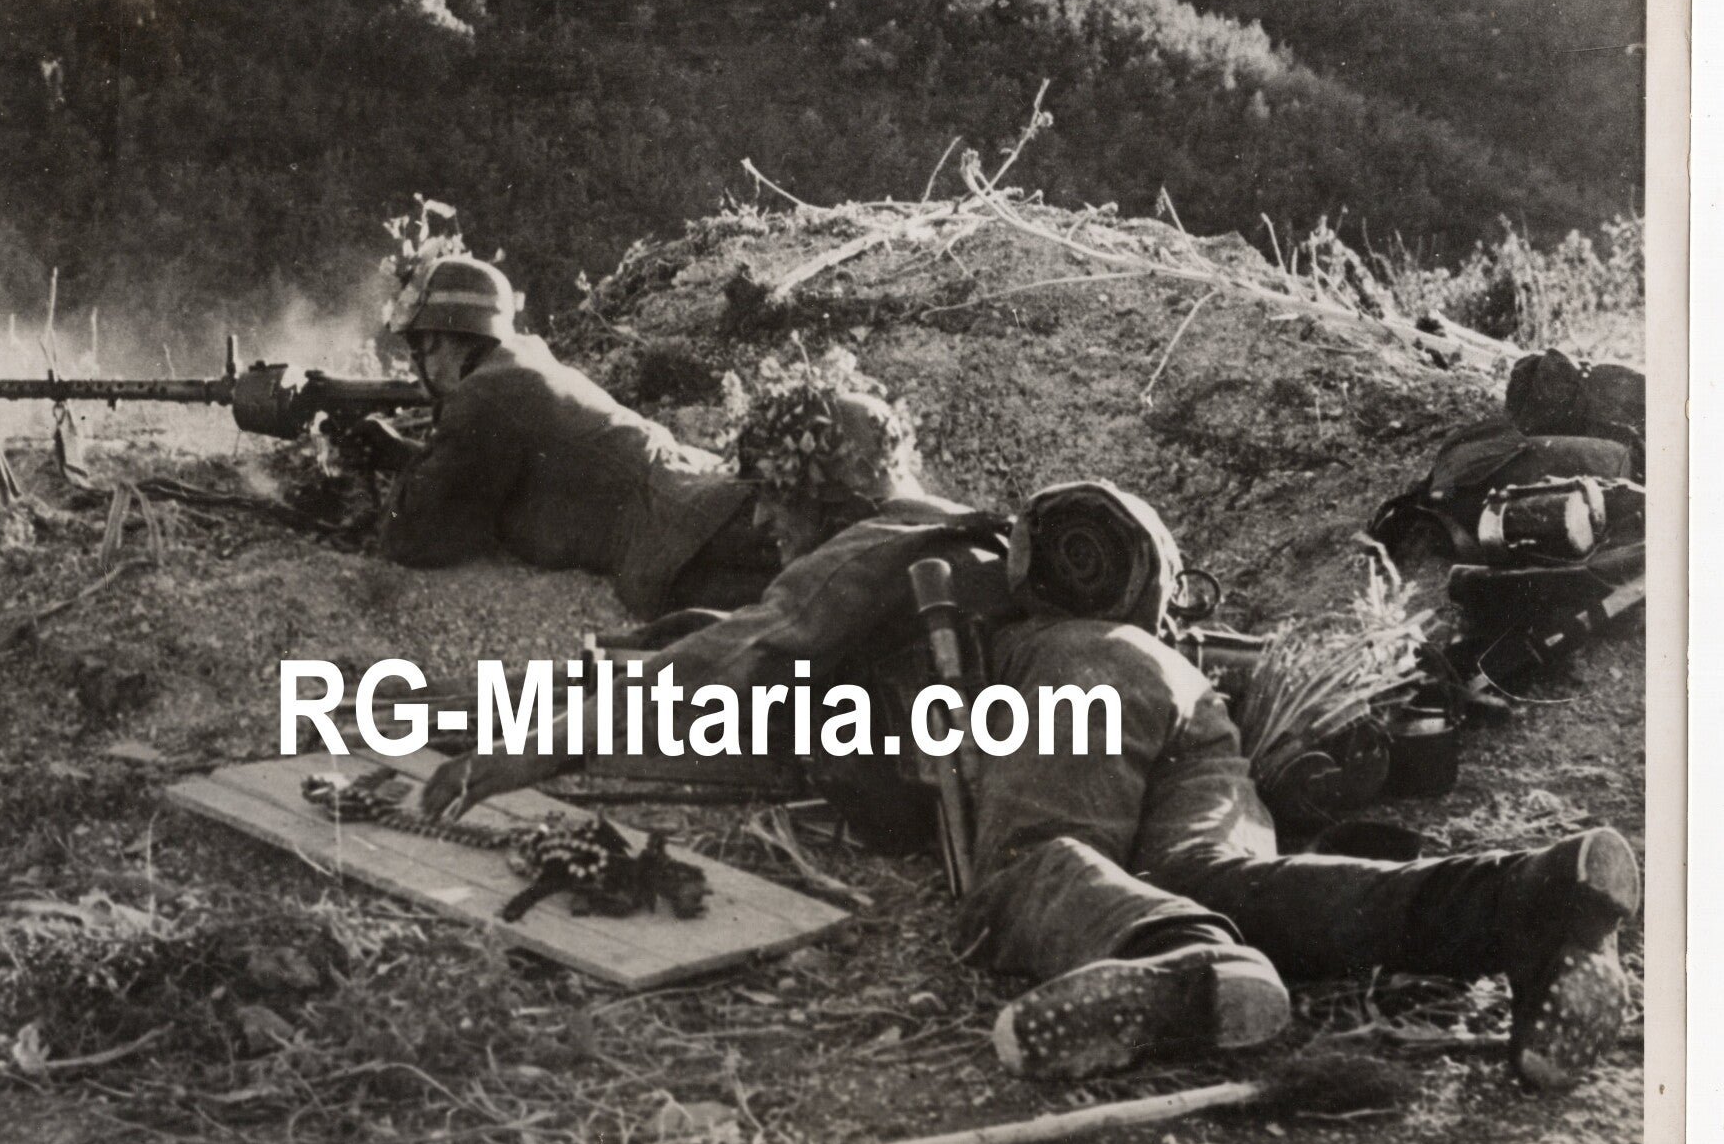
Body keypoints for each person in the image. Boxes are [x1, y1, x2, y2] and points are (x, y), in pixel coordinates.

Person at [421, 355, 1639, 1091]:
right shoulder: (971, 531)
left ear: (807, 489)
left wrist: (528, 741)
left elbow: (739, 654)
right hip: (1174, 693)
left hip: (1058, 693)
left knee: (1024, 873)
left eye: (774, 502)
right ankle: (1532, 903)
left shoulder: (866, 538)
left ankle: (1176, 968)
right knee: (1222, 874)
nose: (770, 529)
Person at [347, 254, 778, 619]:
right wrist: (405, 457)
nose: (417, 360)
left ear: (441, 337)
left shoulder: (488, 394)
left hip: (688, 545)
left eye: (418, 345)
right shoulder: (520, 365)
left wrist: (404, 478)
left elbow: (415, 539)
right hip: (709, 505)